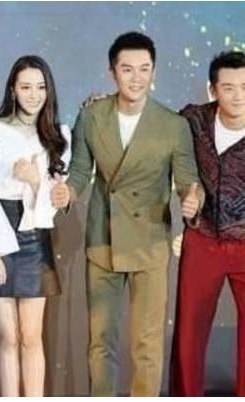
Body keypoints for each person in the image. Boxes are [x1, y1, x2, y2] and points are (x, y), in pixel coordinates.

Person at [50, 31, 204, 396]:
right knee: (100, 341)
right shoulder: (92, 115)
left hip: (150, 241)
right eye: (127, 69)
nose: (136, 78)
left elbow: (188, 180)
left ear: (154, 72)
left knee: (146, 343)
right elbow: (80, 171)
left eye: (144, 69)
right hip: (103, 240)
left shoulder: (173, 125)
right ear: (112, 72)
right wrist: (68, 192)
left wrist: (191, 199)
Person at [0, 55, 71, 396]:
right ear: (13, 89)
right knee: (8, 336)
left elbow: (53, 202)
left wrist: (36, 180)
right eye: (26, 87)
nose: (34, 95)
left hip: (35, 236)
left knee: (31, 336)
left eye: (40, 87)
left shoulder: (59, 137)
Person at [169, 51, 245, 397]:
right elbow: (151, 126)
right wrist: (104, 104)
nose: (239, 96)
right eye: (229, 88)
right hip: (203, 237)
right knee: (189, 331)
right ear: (212, 90)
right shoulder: (193, 120)